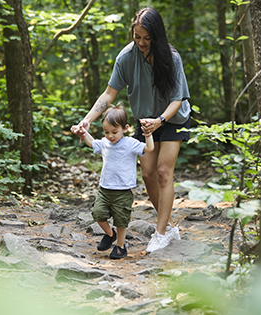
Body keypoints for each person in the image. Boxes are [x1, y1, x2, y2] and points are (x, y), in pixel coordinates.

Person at [72, 7, 190, 253]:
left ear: (156, 36)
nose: (142, 43)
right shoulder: (126, 57)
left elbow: (177, 100)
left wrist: (159, 120)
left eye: (147, 38)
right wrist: (87, 120)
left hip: (172, 118)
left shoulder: (172, 57)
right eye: (137, 37)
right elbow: (109, 94)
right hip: (145, 120)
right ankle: (168, 226)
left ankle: (159, 234)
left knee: (163, 172)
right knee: (147, 174)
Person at [71, 106, 154, 259]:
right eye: (106, 132)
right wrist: (84, 132)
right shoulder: (105, 142)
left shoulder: (131, 143)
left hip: (123, 191)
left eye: (114, 132)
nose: (110, 136)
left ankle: (120, 246)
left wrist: (148, 134)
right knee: (98, 213)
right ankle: (110, 234)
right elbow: (92, 143)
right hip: (105, 189)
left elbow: (149, 148)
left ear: (125, 128)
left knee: (121, 220)